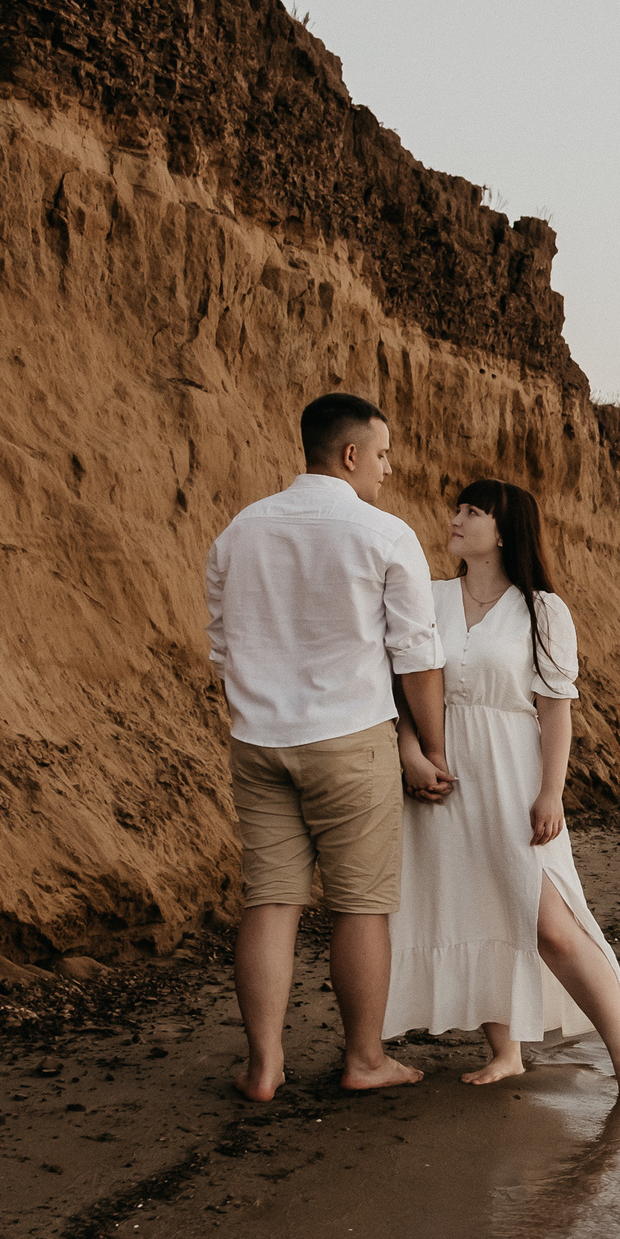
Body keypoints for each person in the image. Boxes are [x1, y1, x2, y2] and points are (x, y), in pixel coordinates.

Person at [205, 393, 451, 1101]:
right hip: (349, 740)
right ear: (349, 455)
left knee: (272, 901)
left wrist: (257, 716)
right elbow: (416, 657)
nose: (387, 467)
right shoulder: (384, 534)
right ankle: (365, 1059)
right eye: (381, 454)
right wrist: (430, 747)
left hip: (258, 741)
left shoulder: (239, 532)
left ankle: (264, 1065)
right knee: (360, 906)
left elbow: (223, 653)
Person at [383, 479, 620, 1099]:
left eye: (472, 511)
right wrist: (410, 752)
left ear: (504, 531)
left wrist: (551, 792)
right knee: (471, 902)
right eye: (457, 507)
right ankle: (505, 1050)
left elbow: (556, 710)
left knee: (553, 924)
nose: (455, 518)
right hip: (441, 771)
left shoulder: (543, 611)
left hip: (513, 772)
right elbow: (401, 689)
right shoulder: (429, 598)